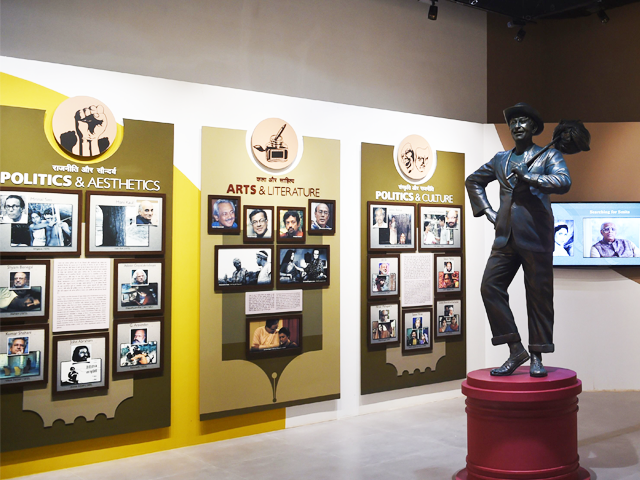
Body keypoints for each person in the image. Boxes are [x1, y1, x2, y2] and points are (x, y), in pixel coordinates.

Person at [466, 102, 572, 377]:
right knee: (490, 287)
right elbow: (473, 181)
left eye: (523, 121)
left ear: (534, 128)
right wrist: (488, 211)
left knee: (538, 296)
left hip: (536, 235)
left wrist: (532, 177)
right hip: (505, 237)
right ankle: (515, 348)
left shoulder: (548, 156)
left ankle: (537, 354)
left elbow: (563, 181)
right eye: (513, 122)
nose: (517, 126)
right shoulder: (501, 159)